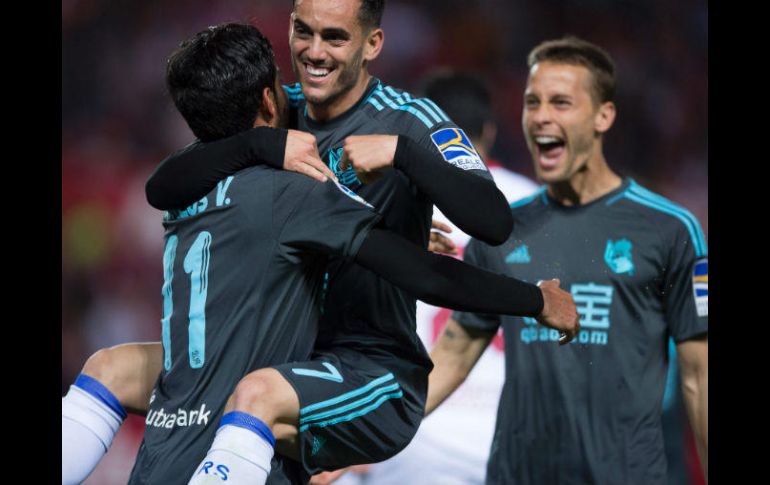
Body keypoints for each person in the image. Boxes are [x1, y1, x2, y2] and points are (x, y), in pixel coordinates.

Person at [60, 17, 580, 485]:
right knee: (114, 365)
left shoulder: (411, 119)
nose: (314, 50)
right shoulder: (272, 110)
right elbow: (165, 185)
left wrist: (403, 155)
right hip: (274, 357)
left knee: (258, 394)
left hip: (367, 366)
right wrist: (262, 146)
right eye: (303, 31)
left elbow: (490, 221)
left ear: (372, 42)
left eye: (335, 36)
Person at [425, 36, 708, 485]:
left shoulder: (669, 231)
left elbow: (698, 377)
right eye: (532, 102)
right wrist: (361, 441)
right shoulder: (500, 231)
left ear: (603, 116)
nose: (540, 117)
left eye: (560, 103)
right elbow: (454, 354)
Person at [353, 70, 539, 485]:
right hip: (512, 429)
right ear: (489, 130)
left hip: (416, 428)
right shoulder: (535, 204)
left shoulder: (390, 198)